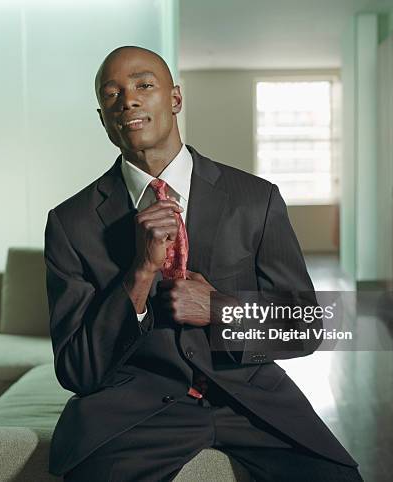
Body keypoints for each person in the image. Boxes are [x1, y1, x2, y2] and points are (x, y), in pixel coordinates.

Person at [44, 45, 362, 481]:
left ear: (175, 98)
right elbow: (76, 369)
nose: (129, 100)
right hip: (133, 415)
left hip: (249, 401)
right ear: (103, 118)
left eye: (143, 85)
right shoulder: (70, 223)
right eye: (112, 94)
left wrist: (219, 310)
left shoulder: (255, 198)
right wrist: (139, 275)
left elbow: (304, 327)